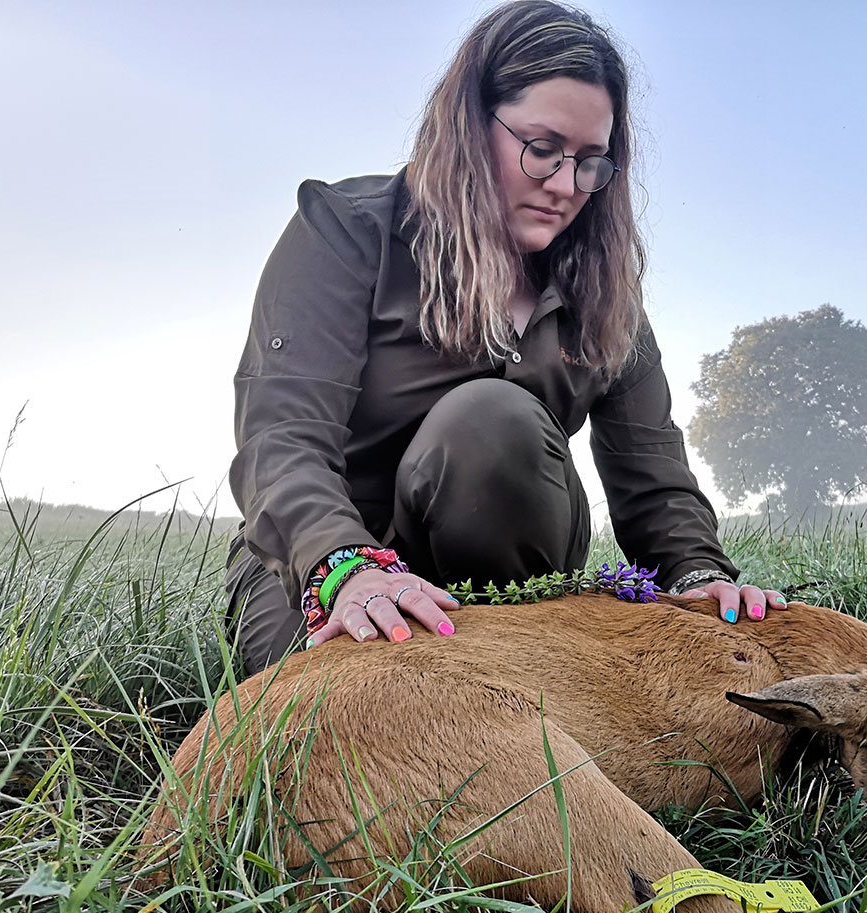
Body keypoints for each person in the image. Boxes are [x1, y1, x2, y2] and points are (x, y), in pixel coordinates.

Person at [226, 0, 786, 677]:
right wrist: (344, 568)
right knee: (322, 722)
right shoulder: (348, 233)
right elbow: (282, 441)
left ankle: (520, 666)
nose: (566, 186)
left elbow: (654, 484)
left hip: (514, 580)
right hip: (324, 558)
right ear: (469, 124)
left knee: (491, 422)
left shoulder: (609, 301)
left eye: (591, 162)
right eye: (543, 150)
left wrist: (699, 575)